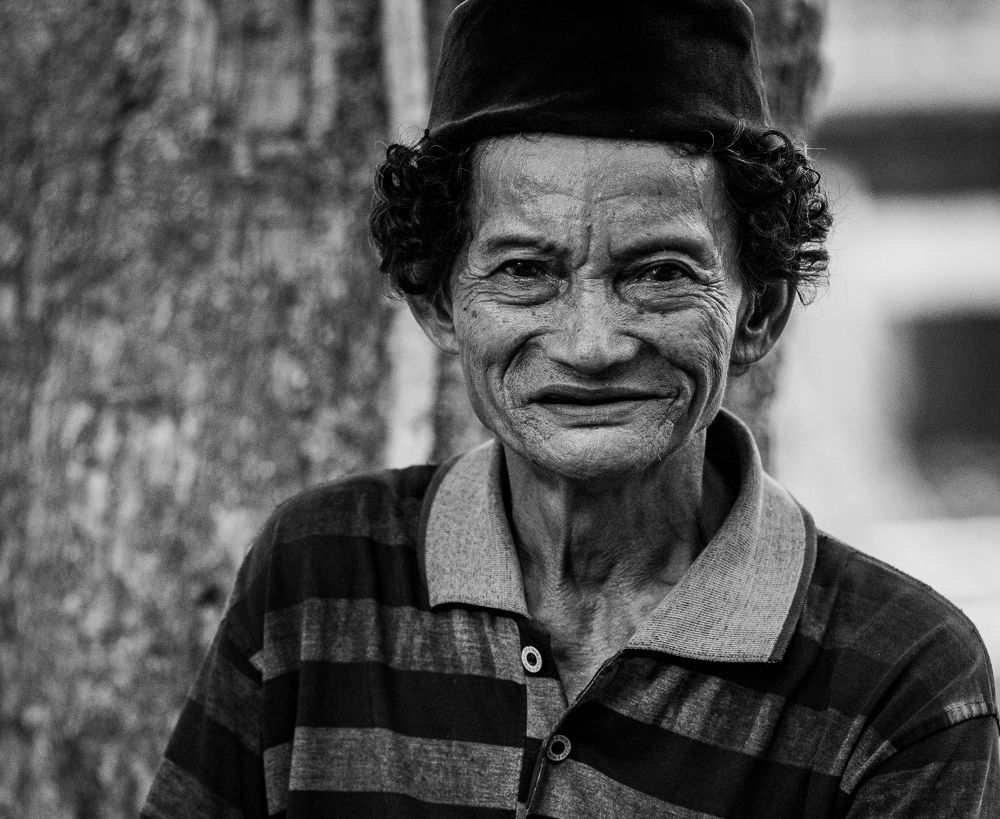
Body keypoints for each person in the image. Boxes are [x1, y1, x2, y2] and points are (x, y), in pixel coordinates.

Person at [142, 1, 1000, 816]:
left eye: (660, 272)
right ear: (440, 303)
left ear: (758, 313)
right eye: (524, 270)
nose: (592, 345)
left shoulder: (902, 679)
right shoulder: (318, 572)